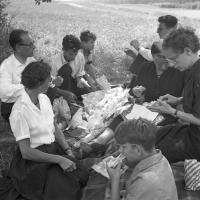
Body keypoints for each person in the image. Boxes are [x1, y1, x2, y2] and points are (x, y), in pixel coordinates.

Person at [0, 61, 88, 200]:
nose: (51, 82)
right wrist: (59, 159)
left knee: (81, 174)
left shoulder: (44, 98)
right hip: (35, 161)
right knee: (64, 189)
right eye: (49, 79)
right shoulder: (19, 111)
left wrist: (67, 151)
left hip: (53, 149)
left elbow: (54, 128)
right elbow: (26, 152)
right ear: (39, 83)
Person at [148, 28, 200, 163]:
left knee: (151, 149)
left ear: (188, 51)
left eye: (174, 59)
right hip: (192, 131)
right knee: (157, 134)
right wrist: (177, 100)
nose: (172, 64)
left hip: (197, 141)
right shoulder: (192, 69)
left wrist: (172, 111)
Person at [107, 119, 178, 200]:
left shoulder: (145, 181)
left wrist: (114, 178)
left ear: (137, 149)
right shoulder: (160, 157)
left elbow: (144, 186)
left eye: (123, 147)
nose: (120, 150)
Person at [129, 41, 185, 125]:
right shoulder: (145, 68)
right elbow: (134, 90)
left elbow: (189, 96)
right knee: (121, 120)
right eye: (162, 57)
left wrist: (178, 101)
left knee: (143, 130)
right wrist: (136, 92)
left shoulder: (180, 71)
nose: (166, 60)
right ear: (153, 56)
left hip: (167, 113)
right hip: (146, 109)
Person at [0, 29, 35, 122]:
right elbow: (4, 92)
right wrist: (27, 88)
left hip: (29, 102)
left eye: (33, 43)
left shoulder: (31, 61)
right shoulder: (6, 66)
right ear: (18, 47)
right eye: (30, 44)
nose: (34, 47)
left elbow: (41, 78)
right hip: (11, 107)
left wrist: (51, 81)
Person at [47, 34, 91, 103]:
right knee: (66, 69)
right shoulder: (54, 62)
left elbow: (79, 75)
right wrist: (63, 93)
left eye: (75, 54)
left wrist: (79, 80)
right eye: (70, 54)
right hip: (60, 89)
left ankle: (74, 99)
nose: (73, 57)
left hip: (73, 85)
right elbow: (49, 84)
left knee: (89, 93)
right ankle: (68, 100)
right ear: (63, 50)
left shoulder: (80, 57)